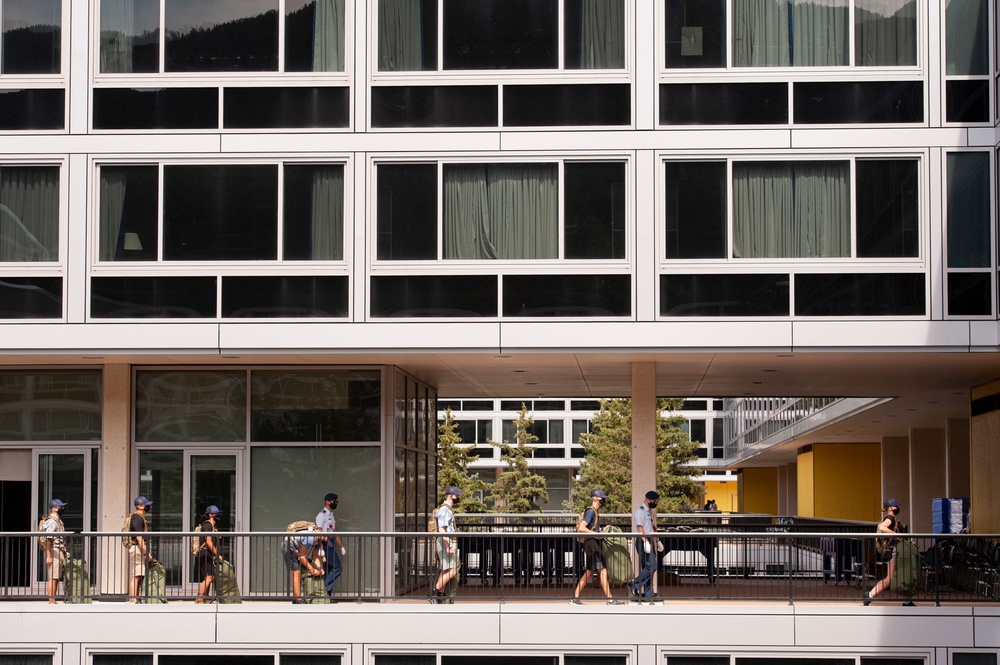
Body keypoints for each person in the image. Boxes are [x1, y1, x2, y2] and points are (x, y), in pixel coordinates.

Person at [571, 489, 624, 605]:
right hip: (592, 545)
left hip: (592, 543)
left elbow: (592, 529)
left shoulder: (594, 512)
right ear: (595, 498)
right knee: (603, 570)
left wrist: (602, 530)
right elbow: (581, 528)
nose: (603, 501)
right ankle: (610, 599)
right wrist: (596, 534)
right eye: (601, 498)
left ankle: (575, 598)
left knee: (589, 573)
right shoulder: (591, 512)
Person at [865, 498, 901, 605]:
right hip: (891, 550)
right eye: (896, 506)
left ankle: (908, 601)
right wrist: (897, 535)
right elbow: (882, 527)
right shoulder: (890, 517)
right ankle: (870, 595)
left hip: (890, 550)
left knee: (899, 575)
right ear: (890, 508)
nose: (898, 508)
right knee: (889, 578)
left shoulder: (891, 518)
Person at [628, 490, 663, 601]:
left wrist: (657, 541)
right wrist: (645, 542)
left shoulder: (648, 511)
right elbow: (639, 528)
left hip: (649, 539)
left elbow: (652, 527)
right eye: (654, 501)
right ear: (648, 499)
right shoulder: (640, 511)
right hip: (642, 540)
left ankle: (649, 595)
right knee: (652, 566)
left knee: (648, 568)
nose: (655, 503)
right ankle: (634, 584)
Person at [430, 485, 462, 604]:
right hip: (445, 541)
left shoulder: (447, 509)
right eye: (456, 495)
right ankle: (434, 592)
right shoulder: (444, 510)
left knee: (445, 570)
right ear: (450, 496)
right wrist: (448, 545)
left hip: (445, 541)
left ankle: (439, 597)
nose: (458, 497)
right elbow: (442, 530)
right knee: (453, 571)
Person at [283, 524, 322, 603]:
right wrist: (312, 570)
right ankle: (298, 599)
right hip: (289, 545)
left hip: (295, 547)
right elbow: (301, 556)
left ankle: (297, 598)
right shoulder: (311, 538)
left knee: (297, 571)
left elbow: (315, 557)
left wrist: (320, 568)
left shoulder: (319, 541)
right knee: (296, 572)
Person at [316, 492, 346, 595]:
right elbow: (318, 533)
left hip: (331, 545)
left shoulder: (331, 515)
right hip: (325, 546)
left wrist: (341, 546)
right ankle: (323, 588)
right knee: (337, 567)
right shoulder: (322, 515)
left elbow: (334, 532)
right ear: (327, 502)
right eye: (334, 501)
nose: (335, 503)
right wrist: (320, 549)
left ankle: (326, 596)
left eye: (336, 501)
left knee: (328, 571)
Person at [194, 505, 224, 603]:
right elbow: (208, 541)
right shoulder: (208, 525)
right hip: (205, 553)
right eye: (216, 513)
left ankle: (206, 598)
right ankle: (200, 598)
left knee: (209, 576)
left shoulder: (212, 526)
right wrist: (217, 553)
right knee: (209, 576)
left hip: (208, 554)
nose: (218, 515)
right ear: (210, 515)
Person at [42, 498, 68, 604]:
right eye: (60, 507)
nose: (62, 508)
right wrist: (48, 555)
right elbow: (49, 539)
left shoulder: (59, 521)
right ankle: (51, 600)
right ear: (54, 509)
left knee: (56, 577)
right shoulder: (51, 521)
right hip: (53, 551)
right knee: (52, 577)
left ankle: (53, 599)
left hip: (59, 550)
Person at [127, 496, 153, 603]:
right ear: (140, 506)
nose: (148, 506)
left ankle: (136, 599)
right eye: (146, 505)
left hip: (138, 548)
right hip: (137, 548)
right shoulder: (137, 518)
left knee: (139, 575)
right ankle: (133, 600)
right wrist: (146, 552)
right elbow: (138, 537)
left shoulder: (140, 517)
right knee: (137, 575)